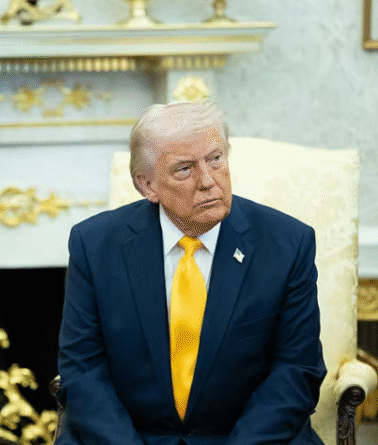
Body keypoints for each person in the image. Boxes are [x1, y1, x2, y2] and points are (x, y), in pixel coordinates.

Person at [56, 101, 326, 445]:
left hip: (248, 438)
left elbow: (296, 370)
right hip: (129, 437)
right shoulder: (94, 245)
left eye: (215, 158)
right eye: (184, 169)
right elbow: (82, 367)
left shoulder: (288, 243)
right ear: (147, 185)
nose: (208, 181)